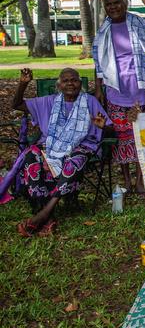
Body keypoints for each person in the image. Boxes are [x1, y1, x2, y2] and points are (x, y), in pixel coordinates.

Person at [11, 68, 110, 236]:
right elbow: (16, 105)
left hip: (82, 146)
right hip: (50, 146)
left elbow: (109, 130)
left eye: (74, 80)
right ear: (59, 85)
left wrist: (104, 127)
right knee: (31, 156)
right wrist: (23, 83)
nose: (70, 83)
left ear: (80, 84)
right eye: (66, 80)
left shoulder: (90, 101)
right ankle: (47, 215)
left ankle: (44, 212)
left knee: (75, 161)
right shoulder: (49, 102)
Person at [93, 0, 145, 194]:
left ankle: (142, 179)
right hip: (116, 90)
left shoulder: (140, 23)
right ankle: (127, 179)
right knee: (122, 135)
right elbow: (98, 62)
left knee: (142, 135)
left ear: (124, 4)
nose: (113, 7)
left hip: (142, 89)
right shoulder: (103, 30)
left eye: (117, 3)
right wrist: (98, 88)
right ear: (105, 8)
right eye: (109, 5)